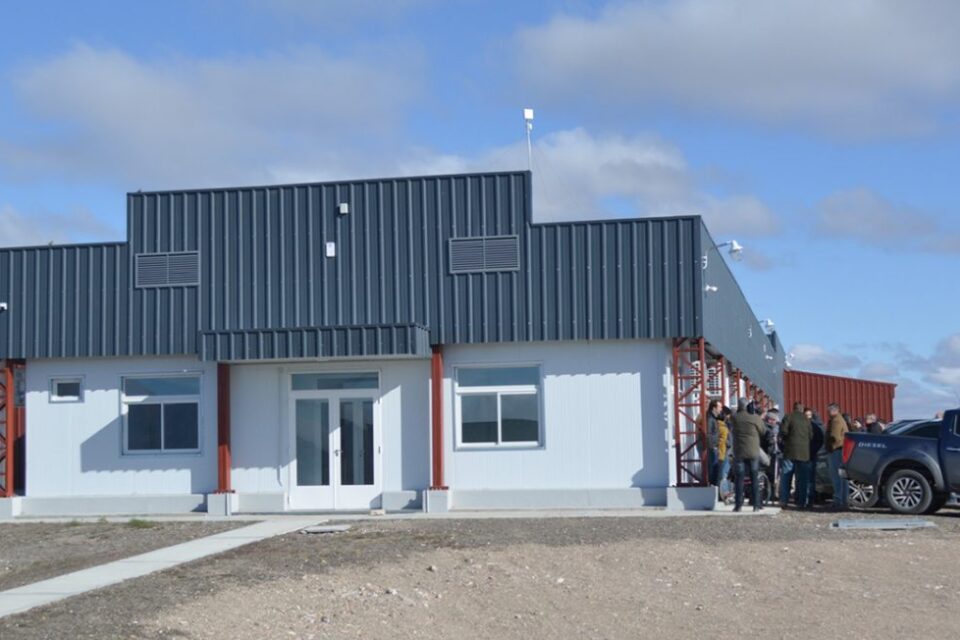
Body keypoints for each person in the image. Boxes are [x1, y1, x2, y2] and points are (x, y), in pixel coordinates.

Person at [732, 397, 766, 512]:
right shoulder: (755, 418)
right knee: (754, 478)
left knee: (739, 479)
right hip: (753, 451)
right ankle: (756, 505)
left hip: (739, 451)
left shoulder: (735, 417)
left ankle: (738, 505)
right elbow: (763, 431)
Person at [779, 402, 813, 508]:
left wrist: (787, 441)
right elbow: (811, 436)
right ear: (802, 409)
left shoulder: (788, 417)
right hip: (804, 453)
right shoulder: (806, 420)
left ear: (793, 408)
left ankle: (784, 500)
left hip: (790, 451)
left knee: (786, 477)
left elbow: (783, 431)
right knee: (802, 479)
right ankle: (801, 502)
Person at [825, 402, 849, 510]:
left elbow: (834, 437)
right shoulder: (840, 419)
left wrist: (830, 447)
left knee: (836, 477)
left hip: (836, 450)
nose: (827, 412)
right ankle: (844, 501)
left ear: (834, 410)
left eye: (829, 410)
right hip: (842, 450)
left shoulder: (835, 421)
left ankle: (838, 500)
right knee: (843, 477)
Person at [806, 408, 825, 507]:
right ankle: (810, 498)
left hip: (811, 454)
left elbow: (819, 440)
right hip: (813, 454)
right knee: (811, 478)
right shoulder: (818, 426)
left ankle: (809, 498)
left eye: (809, 415)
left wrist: (813, 450)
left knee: (809, 478)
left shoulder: (814, 427)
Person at [704, 400, 723, 486]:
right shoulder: (710, 419)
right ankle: (713, 485)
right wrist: (713, 446)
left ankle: (714, 485)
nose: (721, 409)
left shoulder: (713, 418)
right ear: (714, 408)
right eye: (720, 407)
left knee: (715, 467)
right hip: (712, 447)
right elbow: (708, 434)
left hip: (714, 446)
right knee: (714, 467)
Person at [716, 406, 733, 501]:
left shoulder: (717, 425)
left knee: (721, 473)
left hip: (720, 452)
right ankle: (724, 492)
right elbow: (727, 441)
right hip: (724, 452)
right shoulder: (723, 427)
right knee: (724, 473)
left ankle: (721, 492)